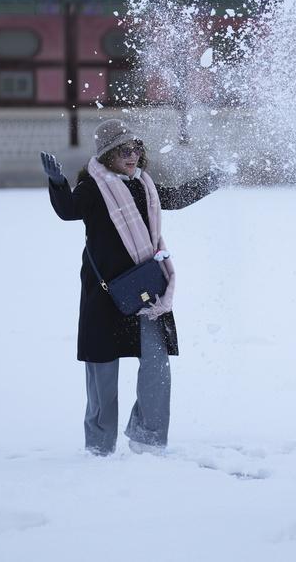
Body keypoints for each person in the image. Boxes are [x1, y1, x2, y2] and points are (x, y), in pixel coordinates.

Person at [41, 119, 221, 456]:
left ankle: (148, 437)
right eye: (124, 149)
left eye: (137, 147)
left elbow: (176, 197)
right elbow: (68, 211)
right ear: (108, 154)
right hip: (104, 293)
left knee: (157, 365)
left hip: (146, 289)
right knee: (102, 374)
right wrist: (57, 183)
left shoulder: (145, 186)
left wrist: (214, 179)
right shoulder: (93, 188)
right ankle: (99, 446)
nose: (133, 154)